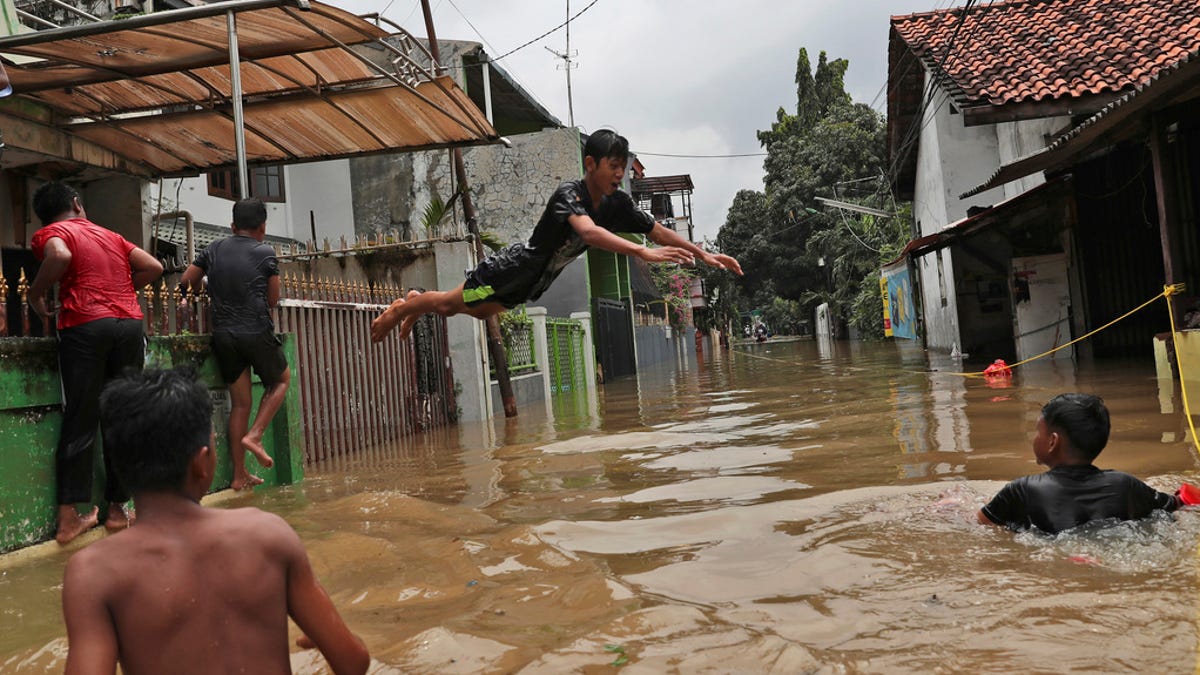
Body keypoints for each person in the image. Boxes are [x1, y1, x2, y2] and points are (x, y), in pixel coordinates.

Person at [61, 368, 370, 675]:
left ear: (118, 465)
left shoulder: (94, 572)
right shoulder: (269, 534)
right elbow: (353, 662)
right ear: (201, 461)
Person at [370, 129, 743, 343]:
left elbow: (659, 230)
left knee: (480, 312)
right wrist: (640, 252)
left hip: (536, 280)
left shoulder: (618, 204)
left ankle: (418, 303)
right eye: (613, 167)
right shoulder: (570, 195)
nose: (618, 174)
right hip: (514, 269)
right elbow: (589, 232)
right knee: (453, 305)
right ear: (590, 165)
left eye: (622, 168)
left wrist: (705, 255)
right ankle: (409, 306)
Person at [28, 181, 163, 544]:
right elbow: (153, 267)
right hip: (129, 326)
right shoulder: (111, 235)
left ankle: (69, 518)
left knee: (81, 417)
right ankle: (118, 509)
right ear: (77, 203)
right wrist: (117, 290)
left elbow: (59, 257)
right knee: (122, 415)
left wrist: (35, 292)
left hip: (85, 325)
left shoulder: (51, 232)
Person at [181, 197, 289, 490]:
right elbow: (273, 299)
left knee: (240, 403)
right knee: (280, 381)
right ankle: (255, 434)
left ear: (232, 226)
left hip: (223, 335)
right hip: (254, 330)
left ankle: (239, 475)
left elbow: (187, 282)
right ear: (263, 227)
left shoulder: (213, 248)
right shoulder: (266, 252)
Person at [977, 393, 1195, 534]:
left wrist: (952, 509)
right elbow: (1180, 503)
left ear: (1053, 441)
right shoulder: (1124, 485)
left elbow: (980, 524)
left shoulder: (1022, 490)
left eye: (1037, 432)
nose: (1034, 438)